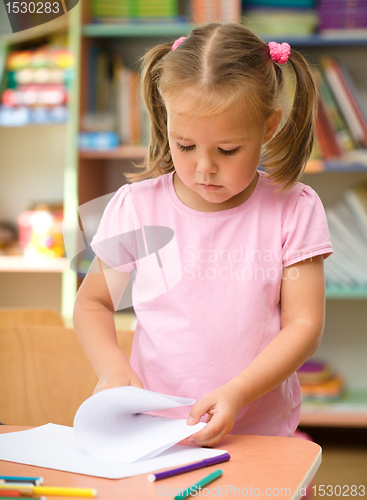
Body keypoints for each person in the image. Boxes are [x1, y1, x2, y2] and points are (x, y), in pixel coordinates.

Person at [73, 23, 333, 447]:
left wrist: (238, 391)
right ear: (166, 120)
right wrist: (112, 368)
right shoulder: (136, 206)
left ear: (268, 128)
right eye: (185, 145)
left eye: (227, 150)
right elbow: (94, 302)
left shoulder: (294, 208)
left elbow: (303, 325)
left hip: (257, 432)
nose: (203, 168)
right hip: (152, 432)